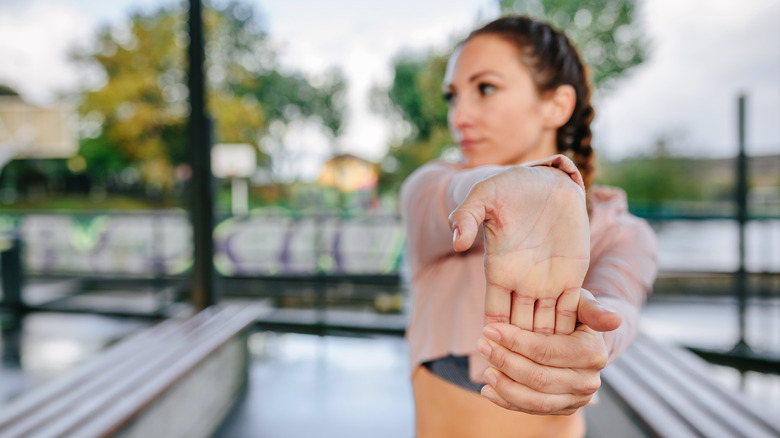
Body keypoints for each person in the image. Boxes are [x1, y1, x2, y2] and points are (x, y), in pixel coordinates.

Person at [399, 15, 658, 437]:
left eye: (485, 88)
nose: (459, 116)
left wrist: (593, 343)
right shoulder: (431, 190)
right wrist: (519, 185)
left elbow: (619, 307)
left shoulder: (623, 231)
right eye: (452, 97)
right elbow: (456, 194)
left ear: (557, 105)